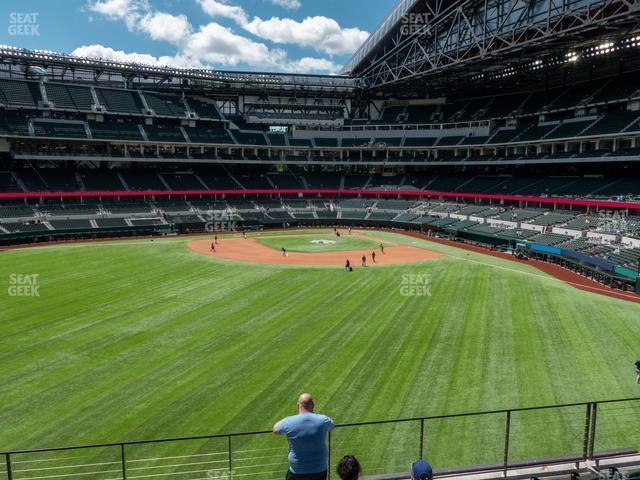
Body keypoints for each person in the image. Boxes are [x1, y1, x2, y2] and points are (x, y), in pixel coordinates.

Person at [273, 394, 334, 480]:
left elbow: (275, 430)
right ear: (313, 405)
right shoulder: (323, 420)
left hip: (297, 471)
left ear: (298, 406)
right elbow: (331, 425)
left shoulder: (288, 421)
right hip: (319, 470)